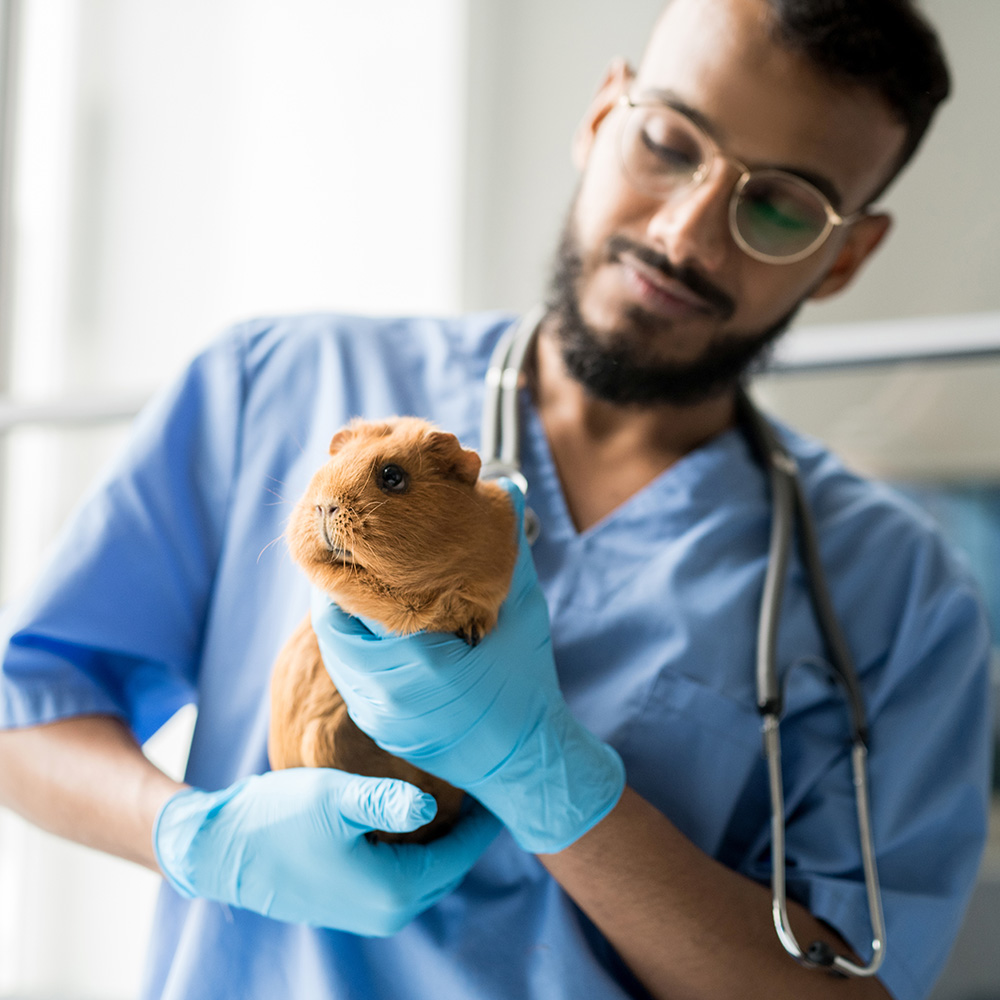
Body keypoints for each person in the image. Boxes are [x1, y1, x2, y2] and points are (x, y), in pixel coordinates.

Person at [0, 0, 991, 997]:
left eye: (779, 206)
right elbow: (26, 713)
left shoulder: (900, 596)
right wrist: (195, 838)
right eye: (666, 140)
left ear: (848, 255)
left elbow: (851, 986)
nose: (686, 233)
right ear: (603, 114)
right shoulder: (279, 381)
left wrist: (549, 782)